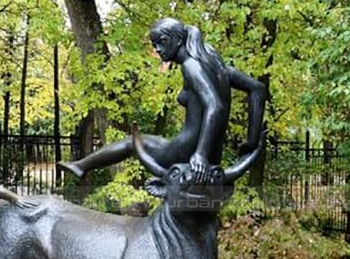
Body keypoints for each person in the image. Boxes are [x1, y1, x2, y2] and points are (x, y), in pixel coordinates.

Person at [59, 17, 266, 184]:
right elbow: (257, 88)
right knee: (144, 141)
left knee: (132, 143)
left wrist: (200, 155)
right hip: (211, 153)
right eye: (154, 44)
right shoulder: (214, 63)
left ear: (177, 40)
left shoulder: (191, 66)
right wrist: (251, 141)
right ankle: (81, 165)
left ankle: (81, 166)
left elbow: (216, 107)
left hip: (188, 150)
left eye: (162, 42)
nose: (157, 49)